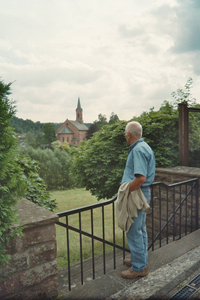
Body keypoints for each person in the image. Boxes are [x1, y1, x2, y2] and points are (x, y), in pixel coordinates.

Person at [120, 121, 156, 279]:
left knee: (134, 231)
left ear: (129, 134)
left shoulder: (138, 150)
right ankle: (139, 260)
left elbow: (140, 178)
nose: (125, 136)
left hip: (137, 194)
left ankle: (139, 268)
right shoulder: (145, 146)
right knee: (140, 230)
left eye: (125, 134)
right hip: (142, 193)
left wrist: (126, 190)